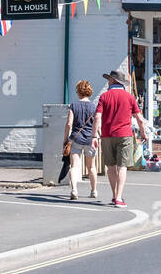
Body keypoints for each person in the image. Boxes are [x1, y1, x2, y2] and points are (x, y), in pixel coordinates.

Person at [94, 69, 148, 207]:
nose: (107, 82)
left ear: (113, 81)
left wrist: (94, 135)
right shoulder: (129, 97)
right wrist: (143, 133)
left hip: (107, 136)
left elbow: (97, 117)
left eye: (109, 80)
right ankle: (119, 197)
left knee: (111, 167)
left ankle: (114, 196)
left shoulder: (104, 97)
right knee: (122, 166)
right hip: (124, 135)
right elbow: (139, 119)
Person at [63, 79, 99, 200]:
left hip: (76, 139)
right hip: (90, 139)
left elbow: (69, 124)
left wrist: (65, 139)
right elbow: (97, 125)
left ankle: (74, 190)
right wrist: (98, 137)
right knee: (91, 167)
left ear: (78, 91)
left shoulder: (73, 106)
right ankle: (94, 191)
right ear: (89, 91)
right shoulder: (94, 107)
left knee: (74, 166)